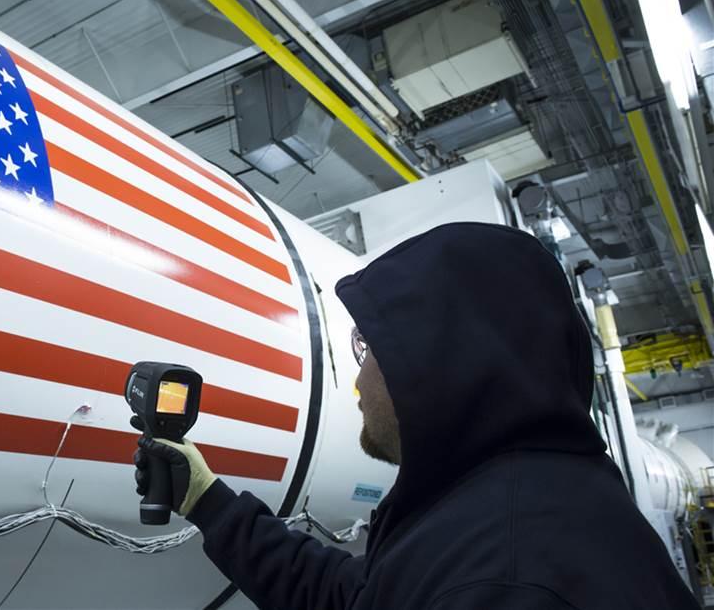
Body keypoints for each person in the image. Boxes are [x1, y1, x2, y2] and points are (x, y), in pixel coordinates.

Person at [132, 223, 700, 610]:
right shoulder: (512, 507)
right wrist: (207, 500)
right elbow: (358, 599)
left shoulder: (507, 574)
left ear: (439, 362)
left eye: (371, 351)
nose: (357, 379)